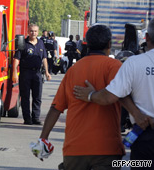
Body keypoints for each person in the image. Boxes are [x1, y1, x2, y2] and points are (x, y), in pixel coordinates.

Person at [74, 16, 154, 169]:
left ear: (147, 38)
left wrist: (91, 95)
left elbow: (109, 96)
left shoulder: (134, 63)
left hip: (145, 139)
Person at [33, 25, 126, 170]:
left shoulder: (73, 70)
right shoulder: (115, 67)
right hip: (106, 149)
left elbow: (56, 108)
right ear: (109, 44)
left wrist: (43, 139)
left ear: (86, 44)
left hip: (74, 150)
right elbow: (126, 99)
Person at [13, 24, 51, 125]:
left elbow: (44, 58)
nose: (33, 33)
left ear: (38, 32)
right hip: (25, 73)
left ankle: (36, 117)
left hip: (37, 73)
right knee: (25, 97)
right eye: (31, 31)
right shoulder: (23, 43)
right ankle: (27, 118)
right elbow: (17, 59)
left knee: (37, 97)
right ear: (28, 32)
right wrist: (14, 73)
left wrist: (47, 72)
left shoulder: (41, 43)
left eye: (35, 31)